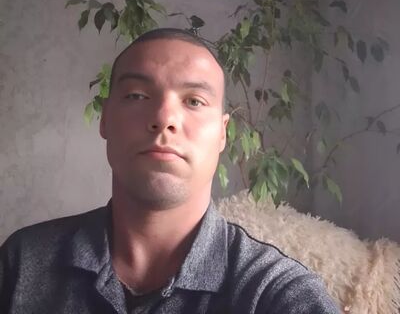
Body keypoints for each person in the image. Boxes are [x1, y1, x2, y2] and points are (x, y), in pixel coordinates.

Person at [0, 28, 340, 313]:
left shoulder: (276, 295)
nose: (164, 118)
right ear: (105, 119)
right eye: (137, 95)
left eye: (194, 101)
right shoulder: (23, 262)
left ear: (222, 133)